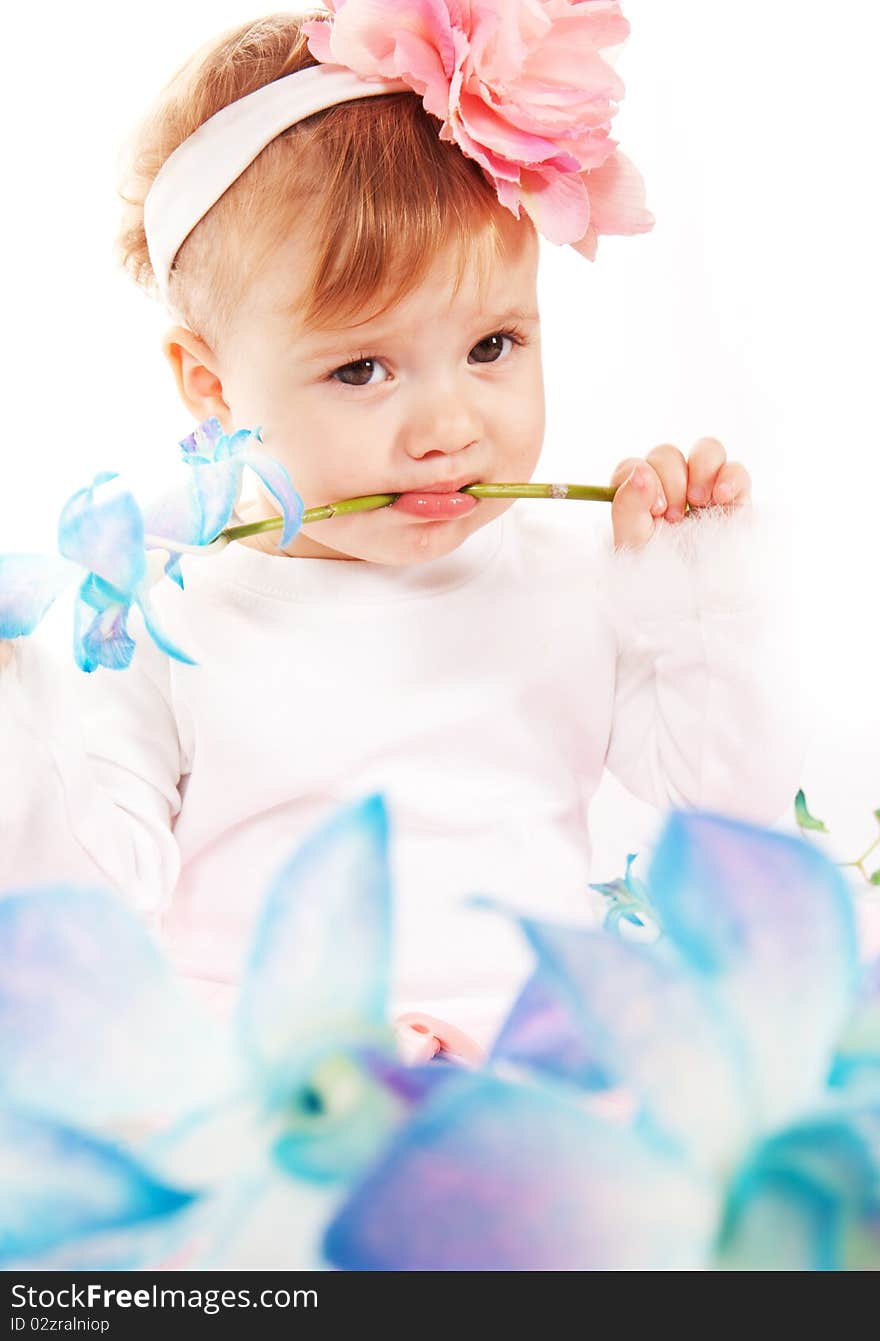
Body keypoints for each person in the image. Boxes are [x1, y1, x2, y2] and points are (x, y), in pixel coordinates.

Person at [0, 5, 806, 1058]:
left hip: (532, 1063)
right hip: (271, 1083)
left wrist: (696, 599)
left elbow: (722, 799)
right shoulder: (169, 619)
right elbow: (87, 897)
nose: (449, 429)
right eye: (360, 370)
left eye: (493, 344)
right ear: (210, 384)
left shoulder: (570, 578)